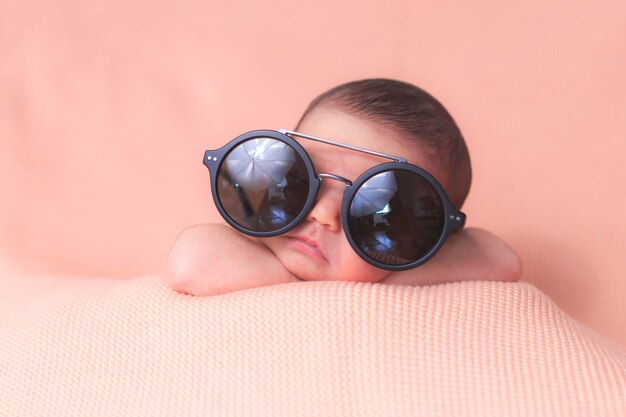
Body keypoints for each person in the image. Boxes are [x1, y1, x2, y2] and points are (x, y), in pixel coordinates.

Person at [166, 78, 522, 296]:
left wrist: (384, 276)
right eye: (299, 179)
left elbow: (500, 259)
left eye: (376, 210)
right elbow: (190, 263)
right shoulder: (251, 242)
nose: (322, 214)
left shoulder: (398, 271)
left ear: (424, 245)